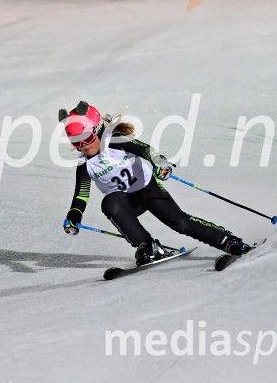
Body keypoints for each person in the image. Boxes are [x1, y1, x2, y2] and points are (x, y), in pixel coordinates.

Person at [60, 100, 252, 266]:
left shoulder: (115, 142)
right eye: (76, 142)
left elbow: (145, 150)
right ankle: (147, 246)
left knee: (181, 224)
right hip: (126, 203)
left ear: (98, 129)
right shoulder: (85, 166)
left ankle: (227, 240)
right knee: (109, 203)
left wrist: (159, 162)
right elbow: (81, 195)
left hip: (148, 190)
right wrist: (74, 215)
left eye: (85, 138)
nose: (83, 145)